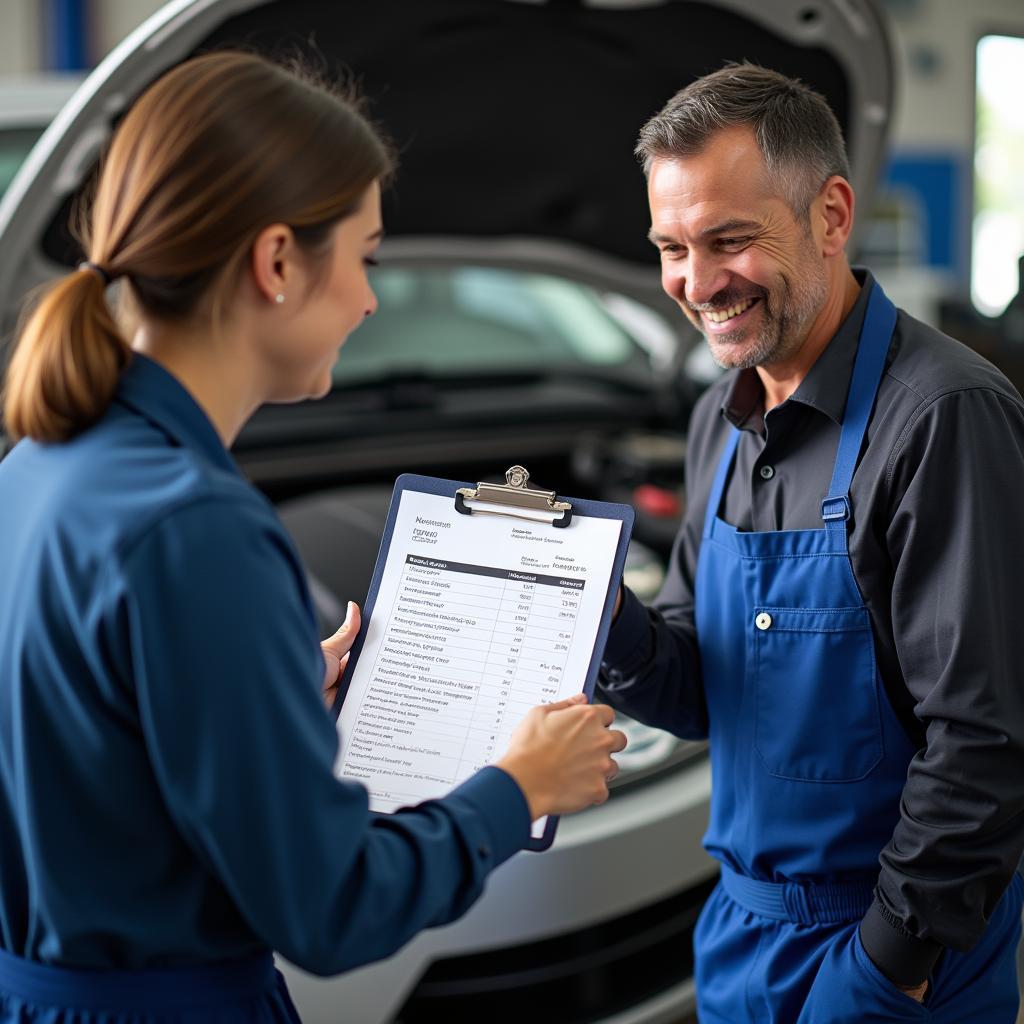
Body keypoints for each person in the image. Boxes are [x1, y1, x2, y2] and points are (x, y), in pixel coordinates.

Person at [0, 51, 627, 1022]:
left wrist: (267, 697)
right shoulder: (196, 529)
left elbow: (92, 766)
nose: (372, 300)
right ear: (280, 261)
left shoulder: (35, 472)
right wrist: (517, 785)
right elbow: (331, 906)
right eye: (366, 257)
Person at [599, 63, 1024, 1023]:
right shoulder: (721, 414)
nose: (696, 284)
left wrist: (885, 969)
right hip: (739, 936)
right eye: (672, 247)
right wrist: (597, 614)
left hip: (889, 956)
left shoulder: (943, 419)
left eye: (730, 240)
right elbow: (708, 691)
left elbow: (986, 743)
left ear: (831, 215)